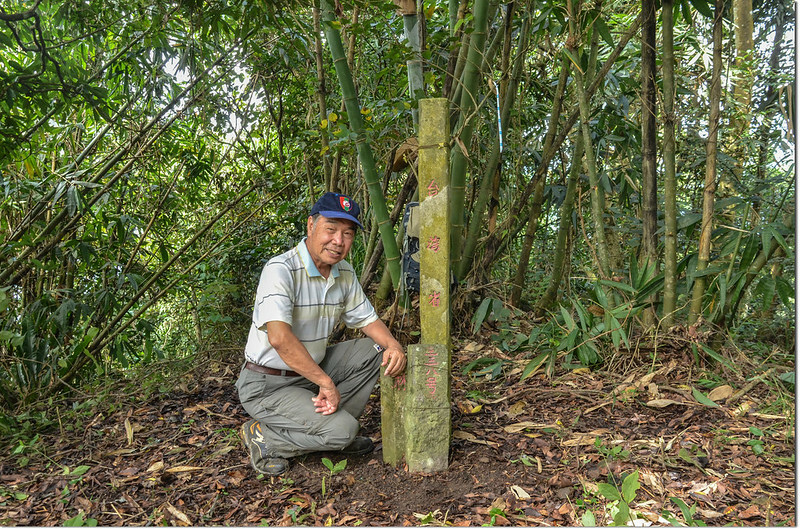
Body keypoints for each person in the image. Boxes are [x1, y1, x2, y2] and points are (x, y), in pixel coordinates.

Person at [236, 191, 407, 476]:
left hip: (309, 373)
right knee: (344, 431)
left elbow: (367, 319)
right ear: (311, 226)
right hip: (267, 384)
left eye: (348, 234)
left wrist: (393, 346)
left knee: (375, 351)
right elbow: (279, 338)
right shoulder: (281, 269)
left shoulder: (344, 272)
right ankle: (265, 437)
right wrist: (325, 382)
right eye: (330, 229)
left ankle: (329, 431)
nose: (338, 241)